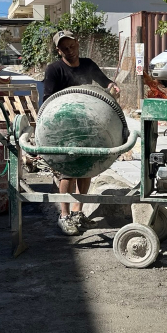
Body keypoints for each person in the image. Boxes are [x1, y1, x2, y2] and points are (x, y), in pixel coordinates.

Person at [43, 30, 121, 235]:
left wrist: (113, 86)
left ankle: (78, 213)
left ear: (78, 44)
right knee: (68, 172)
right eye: (65, 48)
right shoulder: (54, 70)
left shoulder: (88, 65)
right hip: (64, 129)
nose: (70, 51)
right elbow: (48, 100)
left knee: (86, 168)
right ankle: (64, 215)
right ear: (59, 51)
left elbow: (105, 82)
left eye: (72, 46)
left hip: (88, 126)